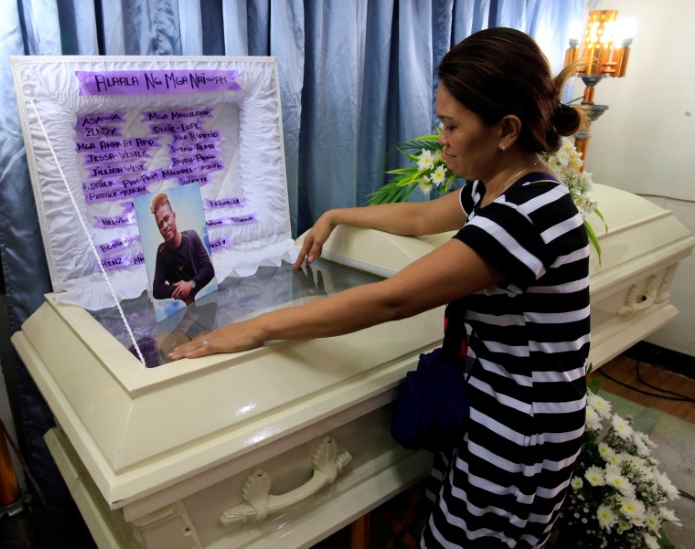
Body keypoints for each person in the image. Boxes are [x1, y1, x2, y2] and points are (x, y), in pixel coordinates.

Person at [168, 27, 589, 548]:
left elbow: (393, 299)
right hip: (490, 406)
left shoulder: (527, 211)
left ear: (506, 129)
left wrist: (253, 330)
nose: (442, 138)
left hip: (520, 431)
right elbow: (419, 217)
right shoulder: (498, 186)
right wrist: (334, 215)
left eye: (452, 125)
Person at [150, 192, 215, 304]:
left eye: (166, 218)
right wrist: (180, 290)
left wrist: (190, 285)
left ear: (174, 216)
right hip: (184, 307)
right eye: (160, 224)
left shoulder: (191, 237)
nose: (164, 226)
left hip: (204, 300)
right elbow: (156, 289)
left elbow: (208, 269)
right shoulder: (162, 252)